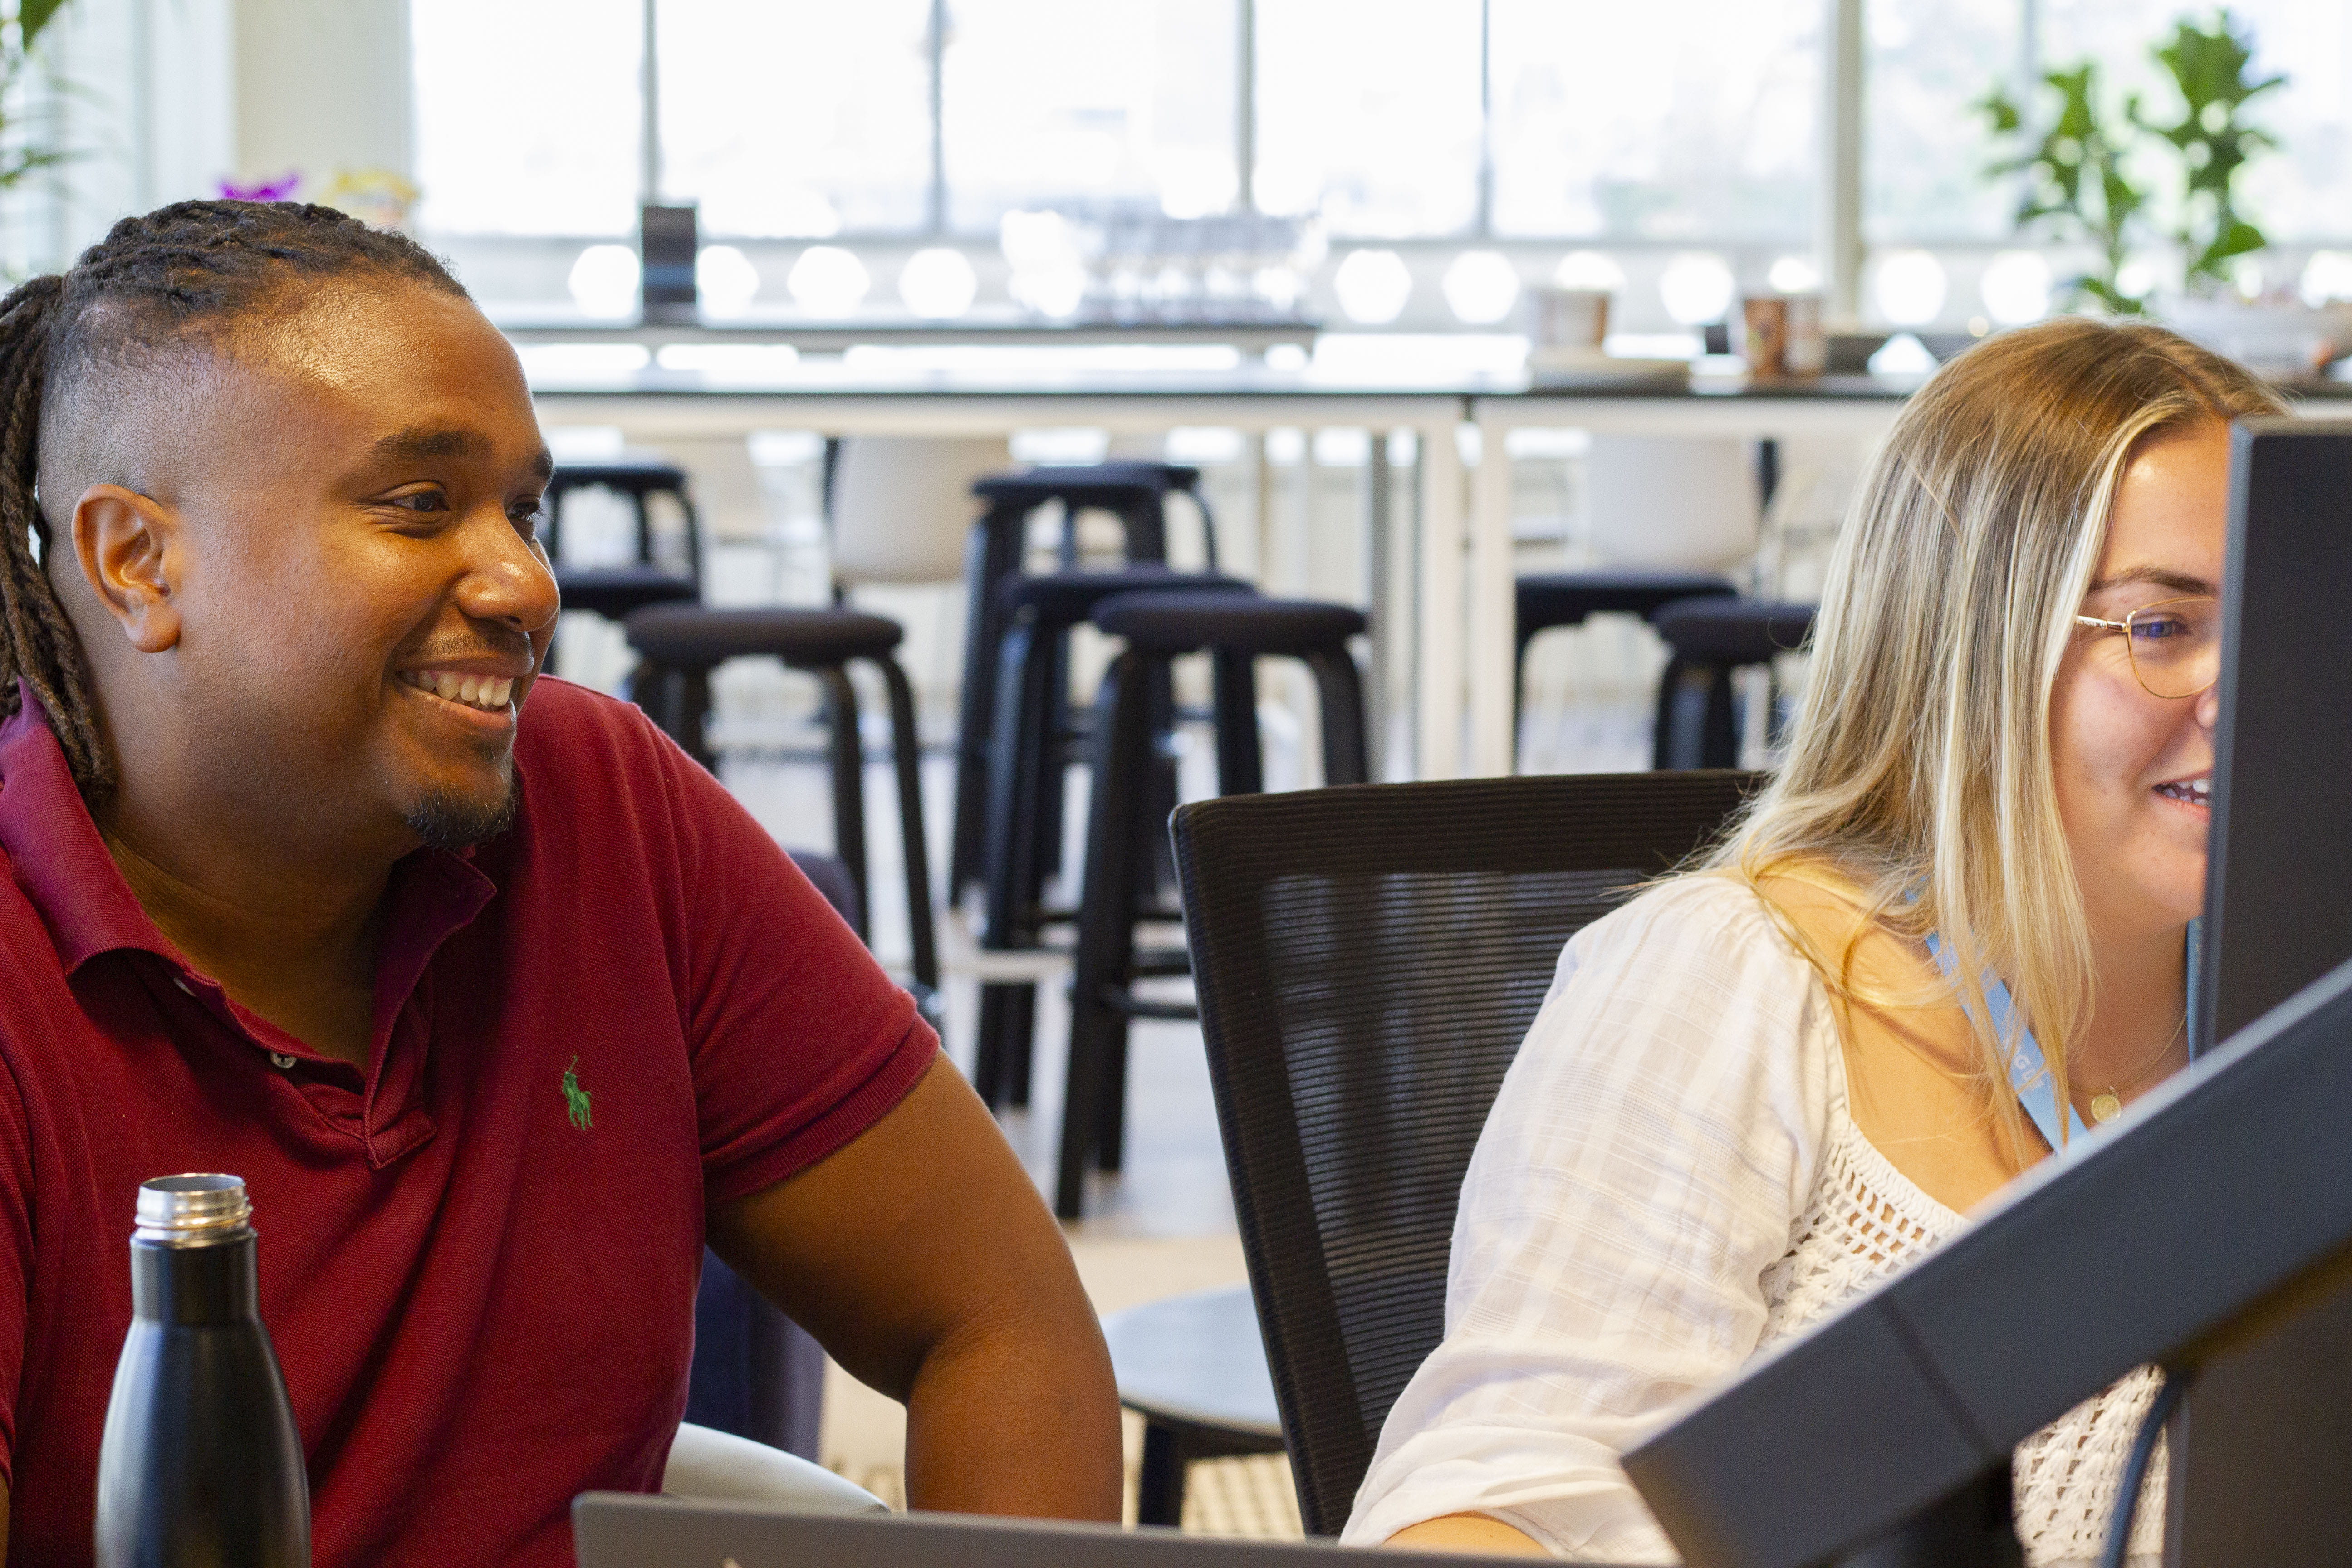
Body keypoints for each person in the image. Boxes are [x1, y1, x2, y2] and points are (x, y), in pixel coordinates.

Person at [0, 201, 1121, 1568]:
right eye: (420, 505)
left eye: (523, 512)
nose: (527, 583)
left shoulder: (603, 808)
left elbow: (997, 1320)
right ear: (138, 562)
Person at [1346, 318, 2280, 1566]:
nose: (2252, 691)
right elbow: (1489, 1510)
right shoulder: (1729, 982)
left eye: (2285, 619)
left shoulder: (2291, 1010)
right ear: (1975, 646)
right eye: (2163, 628)